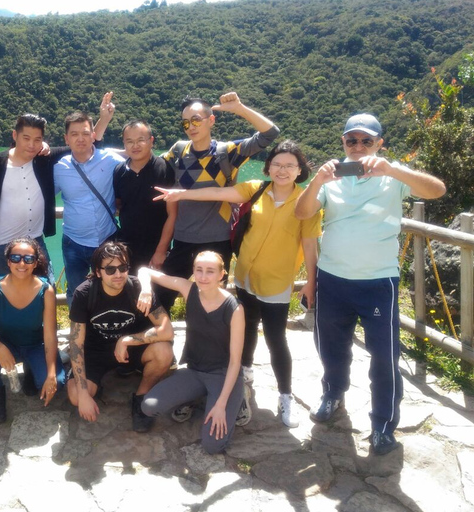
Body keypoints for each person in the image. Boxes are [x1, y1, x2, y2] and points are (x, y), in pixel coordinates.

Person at [295, 113, 446, 455]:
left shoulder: (393, 177)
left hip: (378, 281)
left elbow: (437, 190)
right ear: (343, 144)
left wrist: (392, 170)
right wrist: (317, 182)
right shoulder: (331, 180)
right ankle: (333, 393)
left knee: (384, 356)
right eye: (352, 141)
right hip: (333, 278)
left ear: (380, 143)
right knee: (331, 346)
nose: (359, 147)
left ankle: (383, 423)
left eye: (366, 141)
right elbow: (302, 214)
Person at [154, 140, 322, 427]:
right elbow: (218, 192)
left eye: (289, 166)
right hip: (244, 276)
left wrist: (310, 282)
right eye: (277, 164)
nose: (282, 170)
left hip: (277, 282)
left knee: (276, 339)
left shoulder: (306, 203)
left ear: (299, 170)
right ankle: (244, 372)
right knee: (246, 328)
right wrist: (181, 194)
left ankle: (285, 395)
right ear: (269, 167)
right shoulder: (255, 188)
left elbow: (309, 246)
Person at [158, 92, 280, 312]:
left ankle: (217, 345)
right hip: (183, 240)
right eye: (186, 122)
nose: (191, 126)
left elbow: (270, 133)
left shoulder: (227, 152)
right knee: (161, 296)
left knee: (216, 305)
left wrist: (240, 109)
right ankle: (161, 342)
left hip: (218, 240)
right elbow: (151, 164)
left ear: (211, 120)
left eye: (196, 120)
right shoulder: (178, 150)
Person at [138, 252, 245, 454]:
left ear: (222, 274)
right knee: (149, 406)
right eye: (199, 270)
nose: (203, 277)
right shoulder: (188, 289)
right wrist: (145, 289)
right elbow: (144, 271)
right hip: (195, 371)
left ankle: (237, 396)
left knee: (213, 445)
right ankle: (201, 395)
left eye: (210, 271)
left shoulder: (234, 309)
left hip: (223, 375)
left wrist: (221, 405)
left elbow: (235, 362)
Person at [66, 241, 174, 433]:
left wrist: (127, 340)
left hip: (130, 349)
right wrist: (83, 395)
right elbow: (76, 344)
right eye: (110, 269)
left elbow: (166, 330)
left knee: (164, 352)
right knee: (75, 397)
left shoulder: (138, 288)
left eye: (123, 268)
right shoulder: (84, 293)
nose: (118, 274)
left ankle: (141, 396)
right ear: (98, 272)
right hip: (96, 351)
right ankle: (91, 383)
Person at [0, 237, 67, 423]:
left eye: (29, 259)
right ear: (8, 262)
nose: (22, 263)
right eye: (16, 258)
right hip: (6, 344)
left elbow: (49, 337)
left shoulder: (46, 290)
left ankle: (32, 370)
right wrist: (0, 348)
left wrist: (50, 375)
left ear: (36, 263)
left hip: (35, 345)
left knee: (58, 382)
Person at [0, 114, 74, 284]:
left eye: (37, 139)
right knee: (1, 298)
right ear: (14, 135)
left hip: (35, 241)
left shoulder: (43, 160)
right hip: (0, 245)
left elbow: (80, 147)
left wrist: (104, 119)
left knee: (47, 289)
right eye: (26, 138)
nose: (32, 145)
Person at [54, 92, 124, 307]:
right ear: (66, 139)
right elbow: (43, 195)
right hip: (73, 242)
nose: (80, 138)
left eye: (85, 133)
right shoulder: (59, 168)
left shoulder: (111, 159)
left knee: (111, 290)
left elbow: (138, 167)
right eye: (74, 134)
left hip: (106, 239)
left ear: (93, 134)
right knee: (76, 293)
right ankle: (79, 338)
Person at [113, 119, 177, 272]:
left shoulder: (165, 169)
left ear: (151, 141)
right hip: (126, 251)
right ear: (124, 143)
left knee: (157, 295)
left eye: (140, 140)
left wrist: (161, 251)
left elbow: (172, 214)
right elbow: (119, 204)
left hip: (156, 250)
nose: (135, 146)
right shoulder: (119, 171)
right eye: (129, 141)